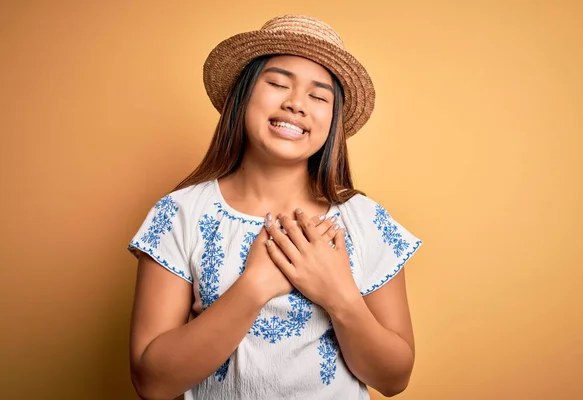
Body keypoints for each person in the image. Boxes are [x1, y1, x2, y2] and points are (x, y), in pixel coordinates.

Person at [127, 14, 422, 400]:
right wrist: (254, 286)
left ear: (332, 121)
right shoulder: (180, 214)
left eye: (318, 96)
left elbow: (393, 379)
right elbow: (152, 382)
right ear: (242, 95)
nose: (296, 104)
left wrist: (338, 294)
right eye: (278, 83)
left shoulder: (365, 220)